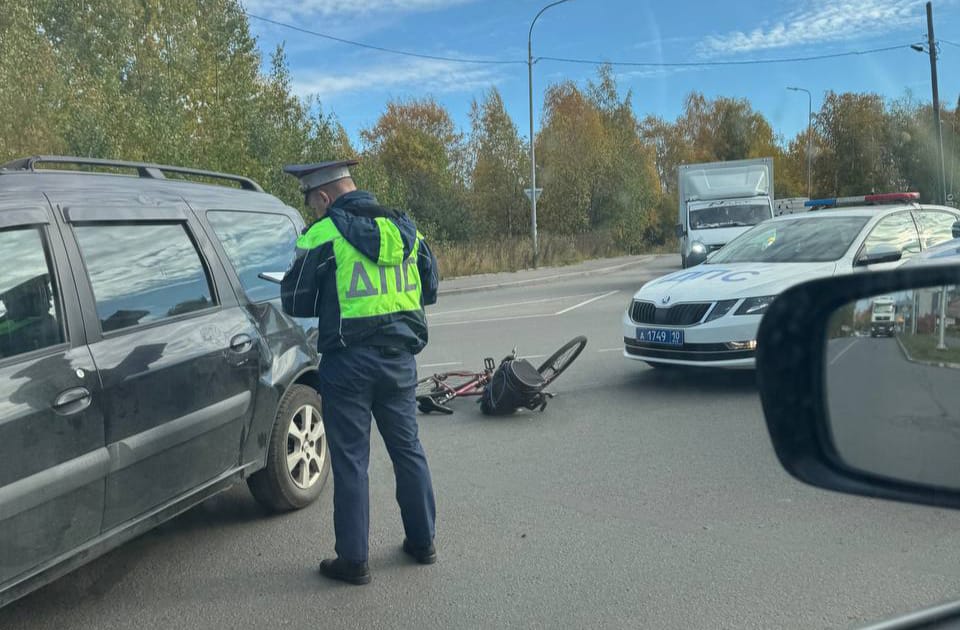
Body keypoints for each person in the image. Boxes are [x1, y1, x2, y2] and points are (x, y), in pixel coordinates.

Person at [280, 160, 439, 586]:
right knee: (408, 451)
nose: (315, 211)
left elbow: (295, 299)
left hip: (348, 364)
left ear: (326, 196)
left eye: (314, 202)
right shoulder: (407, 230)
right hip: (399, 360)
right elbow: (431, 288)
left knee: (352, 462)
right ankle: (423, 543)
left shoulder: (324, 234)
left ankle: (354, 561)